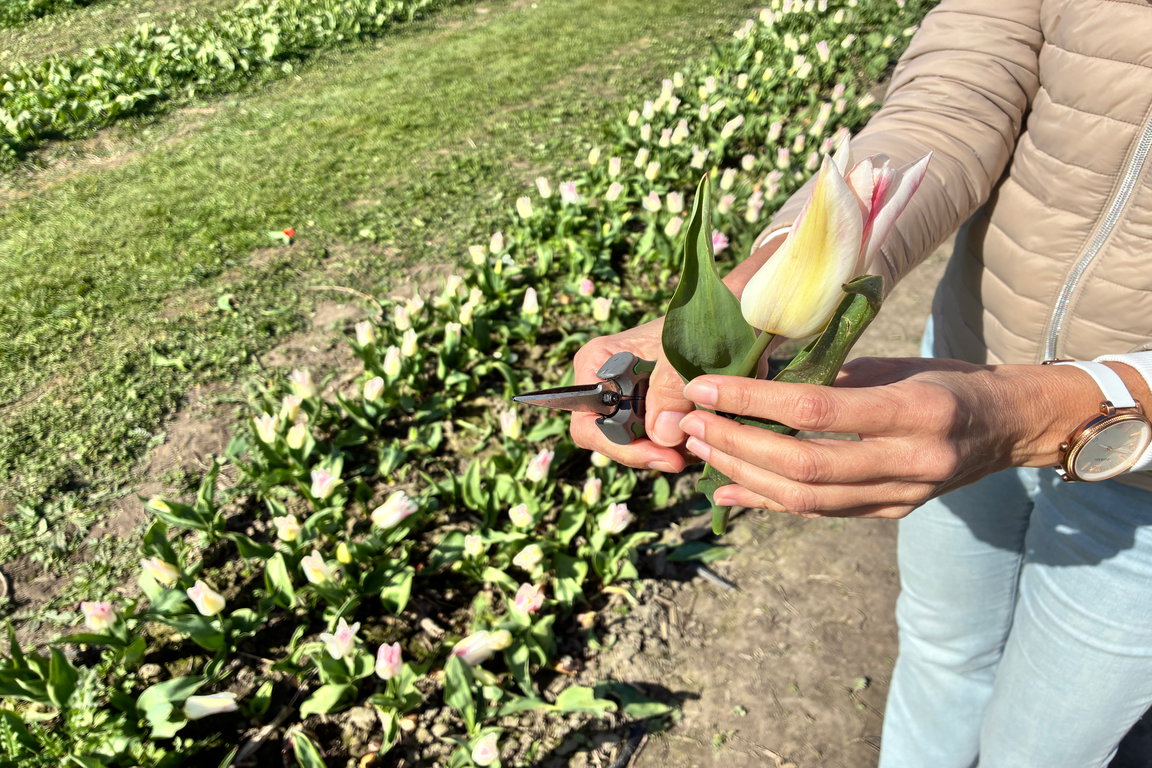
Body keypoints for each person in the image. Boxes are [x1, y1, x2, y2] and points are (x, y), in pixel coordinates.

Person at [569, 0, 1152, 765]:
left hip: (1139, 486)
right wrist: (760, 283)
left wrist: (1069, 408)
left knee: (1044, 741)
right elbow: (958, 92)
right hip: (967, 365)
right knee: (941, 651)